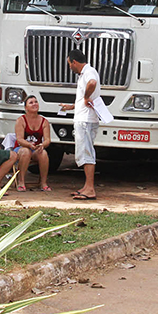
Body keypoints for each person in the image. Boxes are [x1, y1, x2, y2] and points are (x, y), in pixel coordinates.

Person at [59, 49, 100, 200]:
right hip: (85, 118)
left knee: (87, 153)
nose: (70, 67)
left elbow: (92, 83)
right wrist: (72, 106)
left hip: (86, 121)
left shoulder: (89, 73)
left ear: (74, 62)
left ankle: (90, 188)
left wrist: (87, 96)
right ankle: (86, 186)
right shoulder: (86, 73)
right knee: (84, 152)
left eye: (69, 63)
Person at [13, 95, 51, 192]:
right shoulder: (21, 120)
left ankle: (43, 182)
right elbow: (19, 139)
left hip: (35, 148)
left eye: (36, 102)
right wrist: (29, 145)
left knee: (43, 153)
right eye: (31, 102)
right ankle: (21, 181)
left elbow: (47, 139)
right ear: (26, 108)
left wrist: (42, 145)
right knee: (26, 152)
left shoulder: (44, 121)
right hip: (21, 148)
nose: (34, 104)